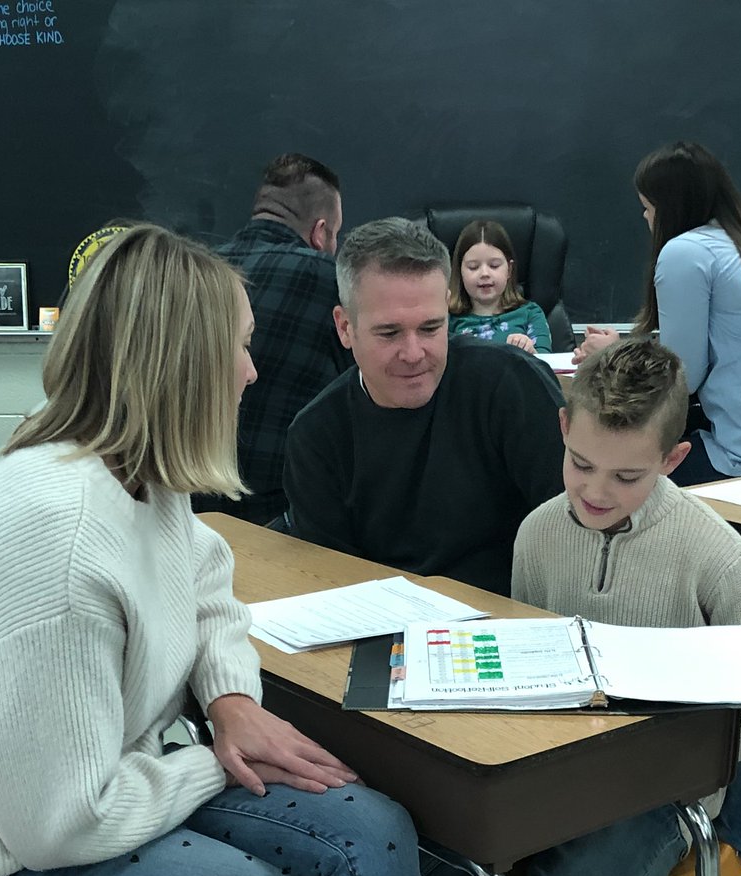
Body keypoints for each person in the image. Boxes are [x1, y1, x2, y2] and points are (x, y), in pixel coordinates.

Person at [0, 223, 472, 876]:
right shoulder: (58, 538)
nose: (252, 371)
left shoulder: (133, 468)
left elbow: (206, 580)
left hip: (113, 782)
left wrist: (230, 701)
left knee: (374, 832)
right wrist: (213, 761)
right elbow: (60, 824)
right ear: (178, 367)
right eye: (240, 349)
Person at [507, 337, 741, 876]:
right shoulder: (537, 534)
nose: (596, 491)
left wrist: (661, 748)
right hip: (557, 767)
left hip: (666, 793)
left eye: (627, 477)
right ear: (563, 431)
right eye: (581, 464)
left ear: (672, 461)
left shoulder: (715, 556)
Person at [283, 217, 565, 596]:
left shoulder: (511, 387)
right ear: (345, 327)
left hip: (514, 619)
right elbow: (335, 590)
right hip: (383, 629)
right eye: (390, 332)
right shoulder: (316, 437)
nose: (414, 354)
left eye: (432, 328)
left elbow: (573, 533)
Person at [574, 141, 741, 484]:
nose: (645, 217)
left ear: (670, 207)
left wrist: (611, 355)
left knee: (617, 474)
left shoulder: (685, 252)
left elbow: (681, 378)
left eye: (647, 206)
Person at [193, 153, 351, 525]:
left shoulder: (197, 276)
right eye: (336, 235)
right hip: (283, 512)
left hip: (187, 499)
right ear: (320, 231)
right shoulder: (332, 281)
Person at [448, 219, 552, 353]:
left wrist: (531, 353)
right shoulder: (447, 318)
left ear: (509, 269)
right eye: (473, 267)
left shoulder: (530, 313)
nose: (484, 273)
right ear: (459, 271)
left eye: (494, 265)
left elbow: (547, 367)